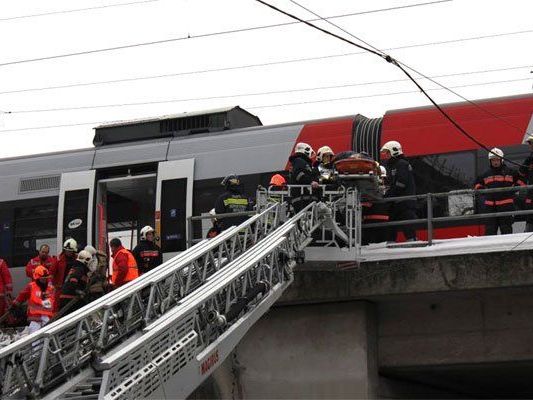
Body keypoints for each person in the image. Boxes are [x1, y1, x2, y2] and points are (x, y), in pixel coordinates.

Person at [475, 147, 524, 235]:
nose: (495, 162)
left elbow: (522, 182)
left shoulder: (511, 172)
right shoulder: (485, 174)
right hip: (490, 207)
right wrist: (484, 192)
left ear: (501, 160)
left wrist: (511, 191)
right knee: (490, 231)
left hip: (506, 207)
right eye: (493, 160)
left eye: (497, 159)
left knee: (506, 230)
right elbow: (476, 185)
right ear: (490, 161)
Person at [380, 140, 417, 242]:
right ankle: (391, 242)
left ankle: (412, 243)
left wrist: (388, 195)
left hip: (405, 202)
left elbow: (401, 183)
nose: (385, 155)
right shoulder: (394, 165)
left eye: (387, 152)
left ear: (394, 151)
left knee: (408, 226)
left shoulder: (401, 164)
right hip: (397, 202)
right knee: (391, 224)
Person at [12, 265, 55, 334]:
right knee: (35, 339)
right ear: (37, 278)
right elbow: (22, 295)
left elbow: (52, 302)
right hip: (34, 317)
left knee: (47, 337)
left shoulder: (50, 288)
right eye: (42, 278)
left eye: (45, 278)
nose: (44, 280)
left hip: (47, 317)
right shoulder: (31, 286)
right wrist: (14, 305)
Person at [361, 166, 390, 244]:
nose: (382, 181)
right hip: (373, 223)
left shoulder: (369, 190)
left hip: (379, 224)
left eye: (383, 178)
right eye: (381, 178)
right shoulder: (372, 190)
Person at [289, 142, 320, 213]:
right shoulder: (299, 161)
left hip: (304, 198)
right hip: (302, 198)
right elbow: (298, 174)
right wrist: (311, 182)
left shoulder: (301, 162)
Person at [519, 135, 533, 231]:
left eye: (531, 143)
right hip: (531, 194)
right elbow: (521, 171)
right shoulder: (530, 158)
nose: (530, 145)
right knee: (530, 217)